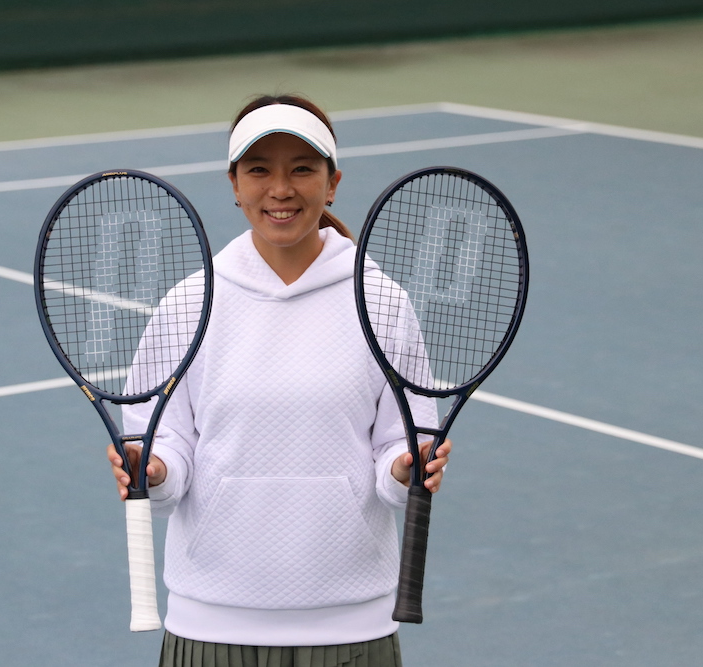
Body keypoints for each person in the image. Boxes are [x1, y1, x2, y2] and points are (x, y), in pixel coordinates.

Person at [108, 94, 452, 667]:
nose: (281, 189)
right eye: (259, 170)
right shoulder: (188, 304)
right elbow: (163, 445)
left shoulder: (383, 302)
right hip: (209, 624)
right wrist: (156, 470)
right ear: (234, 184)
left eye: (302, 169)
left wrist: (404, 469)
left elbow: (402, 445)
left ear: (332, 182)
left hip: (353, 627)